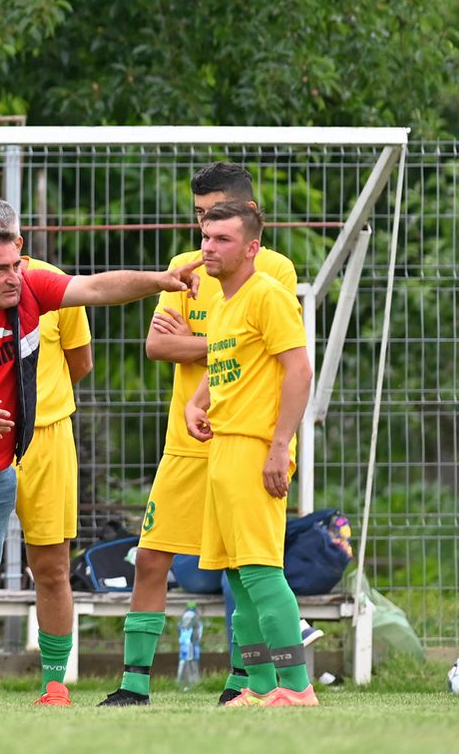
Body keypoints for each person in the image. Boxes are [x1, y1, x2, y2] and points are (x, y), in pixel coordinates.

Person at [0, 221, 202, 708]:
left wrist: (160, 280)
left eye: (17, 264)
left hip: (0, 462)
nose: (14, 276)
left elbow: (97, 288)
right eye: (0, 270)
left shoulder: (29, 287)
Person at [100, 163, 298, 708]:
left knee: (244, 566)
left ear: (248, 216)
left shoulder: (274, 271)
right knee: (151, 556)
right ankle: (134, 685)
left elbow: (270, 348)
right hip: (187, 438)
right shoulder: (185, 266)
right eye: (199, 217)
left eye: (215, 215)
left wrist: (203, 339)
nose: (205, 230)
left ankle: (250, 680)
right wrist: (219, 343)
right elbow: (158, 346)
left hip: (245, 435)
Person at [0, 199, 92, 708]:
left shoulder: (54, 286)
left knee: (51, 566)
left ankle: (54, 684)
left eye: (1, 240)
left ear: (19, 242)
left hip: (47, 438)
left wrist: (38, 405)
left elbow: (80, 363)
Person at [184, 200, 316, 707]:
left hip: (255, 448)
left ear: (251, 248)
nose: (209, 247)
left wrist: (279, 446)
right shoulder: (222, 304)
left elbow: (299, 370)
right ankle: (259, 686)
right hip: (222, 450)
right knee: (238, 578)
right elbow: (223, 366)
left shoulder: (268, 295)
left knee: (261, 571)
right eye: (206, 237)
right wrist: (197, 403)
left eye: (223, 239)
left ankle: (297, 686)